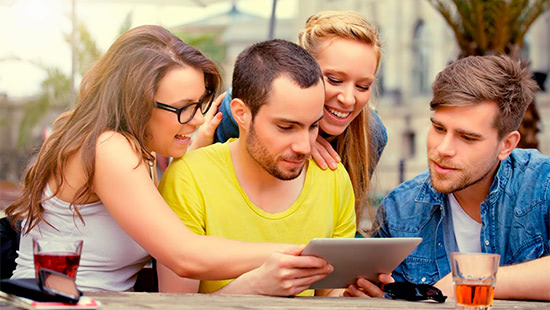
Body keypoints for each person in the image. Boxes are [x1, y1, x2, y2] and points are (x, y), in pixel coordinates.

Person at [6, 25, 332, 292]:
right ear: (137, 103)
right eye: (183, 107)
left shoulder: (133, 150)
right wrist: (301, 253)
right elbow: (184, 255)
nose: (196, 119)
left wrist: (301, 136)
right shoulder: (108, 148)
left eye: (200, 103)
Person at [157, 39, 356, 297]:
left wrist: (356, 297)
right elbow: (177, 306)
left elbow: (330, 296)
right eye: (286, 127)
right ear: (241, 113)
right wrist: (254, 287)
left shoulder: (333, 178)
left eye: (313, 126)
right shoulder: (189, 178)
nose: (305, 147)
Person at [345, 55, 550, 301]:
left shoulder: (542, 184)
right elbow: (382, 296)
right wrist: (378, 301)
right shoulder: (400, 210)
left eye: (467, 138)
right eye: (439, 128)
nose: (443, 148)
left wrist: (470, 281)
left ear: (507, 145)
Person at [214, 11, 387, 232]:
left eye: (362, 86)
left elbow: (342, 226)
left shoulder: (371, 134)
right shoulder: (240, 110)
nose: (348, 98)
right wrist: (301, 132)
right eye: (334, 80)